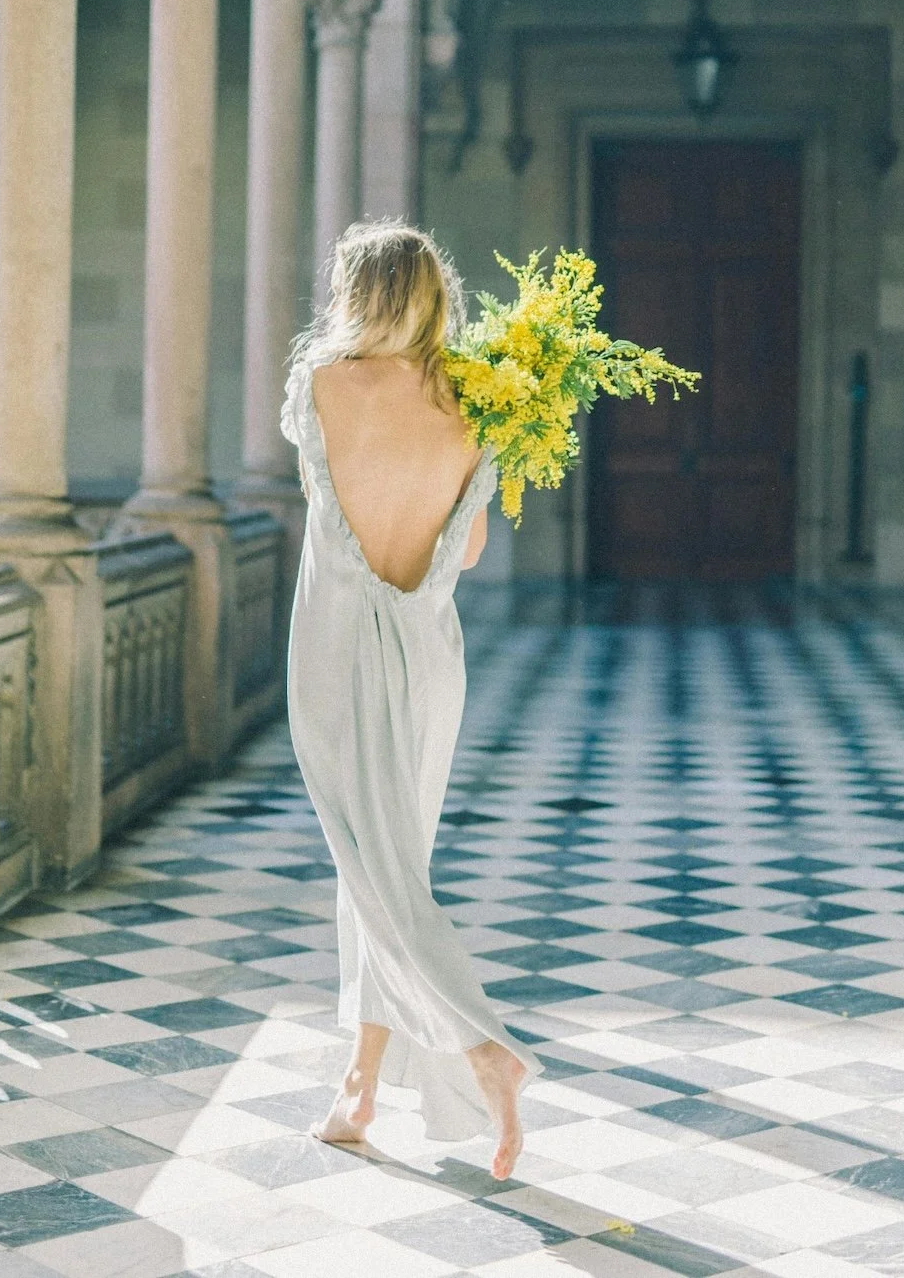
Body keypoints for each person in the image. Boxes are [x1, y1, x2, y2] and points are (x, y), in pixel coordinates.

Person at [280, 220, 541, 1181]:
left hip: (336, 649)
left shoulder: (321, 385)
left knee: (372, 865)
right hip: (429, 657)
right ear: (435, 297)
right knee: (391, 868)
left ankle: (484, 1048)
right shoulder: (480, 402)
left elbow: (322, 500)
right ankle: (360, 1084)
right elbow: (465, 551)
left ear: (356, 292)